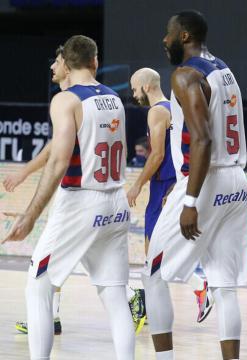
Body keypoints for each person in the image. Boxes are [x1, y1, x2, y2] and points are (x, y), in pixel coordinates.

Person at [4, 35, 135, 359]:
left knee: (38, 284)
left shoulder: (66, 100)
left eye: (57, 60)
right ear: (95, 62)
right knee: (116, 297)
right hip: (115, 201)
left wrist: (31, 215)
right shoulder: (113, 98)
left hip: (81, 201)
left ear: (65, 63)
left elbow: (60, 160)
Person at [142, 10, 247, 360]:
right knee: (224, 285)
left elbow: (202, 139)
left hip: (207, 183)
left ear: (184, 36)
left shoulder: (185, 74)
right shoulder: (224, 69)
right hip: (237, 181)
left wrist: (190, 199)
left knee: (153, 273)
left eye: (168, 33)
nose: (164, 40)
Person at [127, 67, 212, 324]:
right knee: (157, 253)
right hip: (172, 184)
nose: (133, 94)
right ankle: (157, 304)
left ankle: (195, 290)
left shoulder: (156, 111)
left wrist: (137, 184)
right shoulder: (171, 108)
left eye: (134, 88)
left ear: (146, 86)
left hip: (164, 185)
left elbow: (157, 155)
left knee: (154, 252)